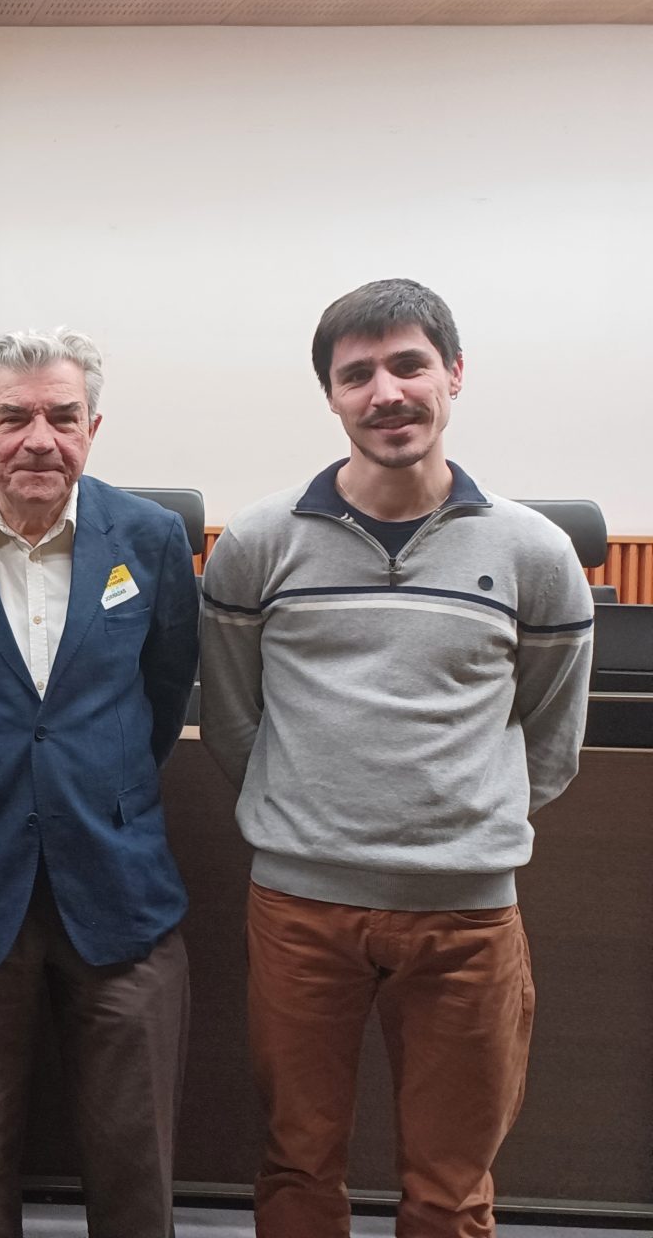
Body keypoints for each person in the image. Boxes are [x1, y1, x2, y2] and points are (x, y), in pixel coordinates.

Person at [199, 279, 594, 1237]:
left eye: (409, 364)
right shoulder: (257, 545)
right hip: (301, 909)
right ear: (331, 397)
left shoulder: (534, 553)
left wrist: (465, 817)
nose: (387, 391)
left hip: (466, 919)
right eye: (358, 374)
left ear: (452, 376)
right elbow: (233, 720)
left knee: (451, 1187)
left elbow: (550, 739)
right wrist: (310, 813)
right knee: (297, 1164)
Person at [0, 328, 199, 1238]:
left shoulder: (152, 538)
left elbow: (162, 698)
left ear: (93, 428)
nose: (39, 439)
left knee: (137, 1172)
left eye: (62, 416)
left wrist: (91, 791)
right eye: (14, 417)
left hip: (122, 890)